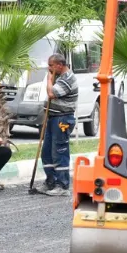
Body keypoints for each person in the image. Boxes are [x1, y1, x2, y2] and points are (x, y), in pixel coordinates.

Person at [38, 53, 78, 196]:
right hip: (53, 117)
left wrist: (49, 79)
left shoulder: (68, 78)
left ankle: (62, 185)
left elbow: (52, 93)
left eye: (51, 65)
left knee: (59, 151)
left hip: (62, 119)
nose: (49, 68)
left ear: (59, 65)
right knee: (47, 151)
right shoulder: (59, 77)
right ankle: (51, 181)